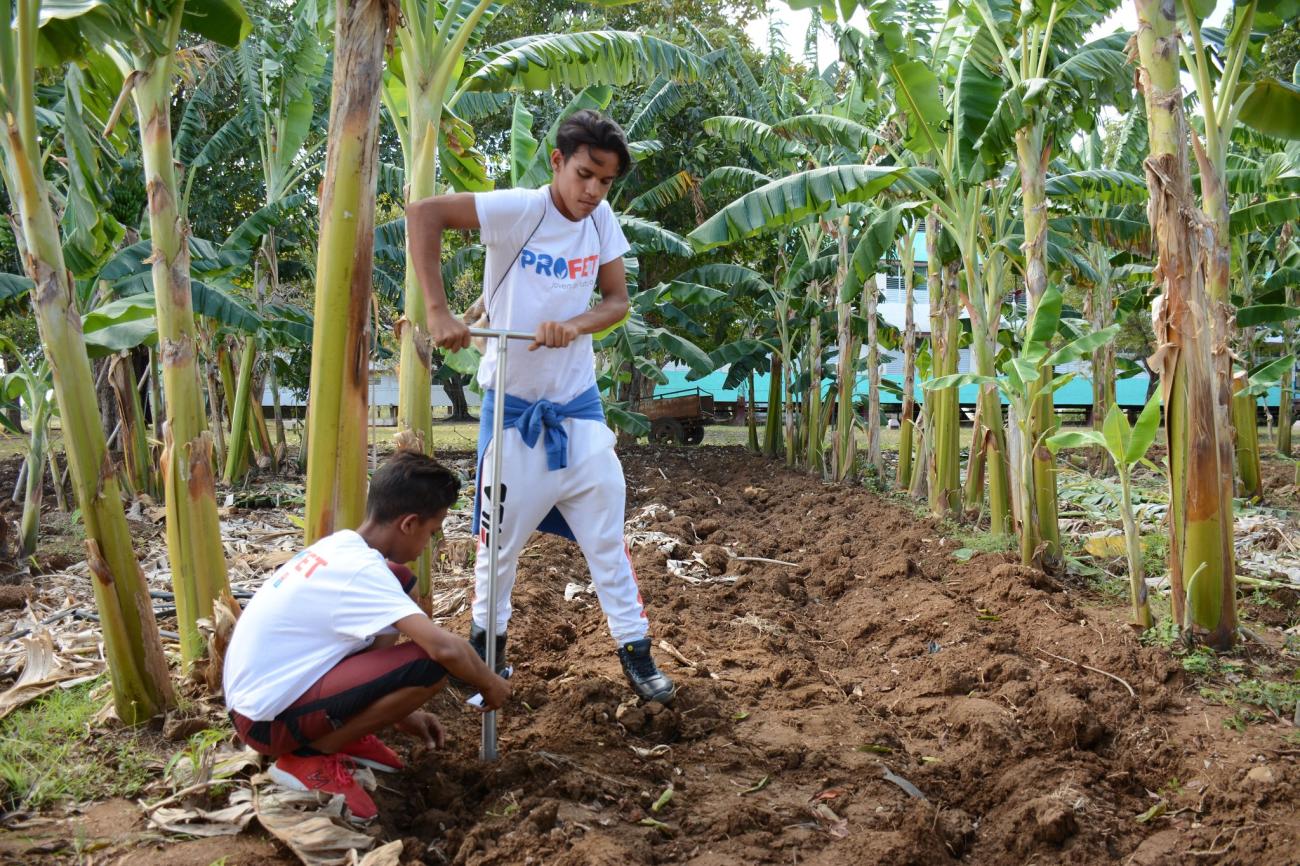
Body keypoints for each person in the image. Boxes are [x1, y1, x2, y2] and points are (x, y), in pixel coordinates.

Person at [407, 109, 674, 704]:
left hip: (577, 407)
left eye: (605, 182)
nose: (592, 192)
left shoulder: (600, 220)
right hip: (514, 411)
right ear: (557, 162)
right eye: (584, 175)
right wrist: (438, 312)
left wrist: (573, 327)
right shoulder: (519, 210)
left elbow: (616, 301)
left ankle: (636, 651)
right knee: (496, 546)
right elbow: (424, 214)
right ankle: (487, 657)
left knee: (607, 534)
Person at [223, 451, 511, 822]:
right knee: (428, 664)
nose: (429, 544)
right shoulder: (362, 573)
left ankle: (342, 732)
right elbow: (443, 647)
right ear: (408, 524)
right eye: (431, 532)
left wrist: (397, 713)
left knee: (401, 581)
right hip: (265, 720)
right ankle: (306, 759)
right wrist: (489, 682)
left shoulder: (343, 546)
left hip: (270, 695)